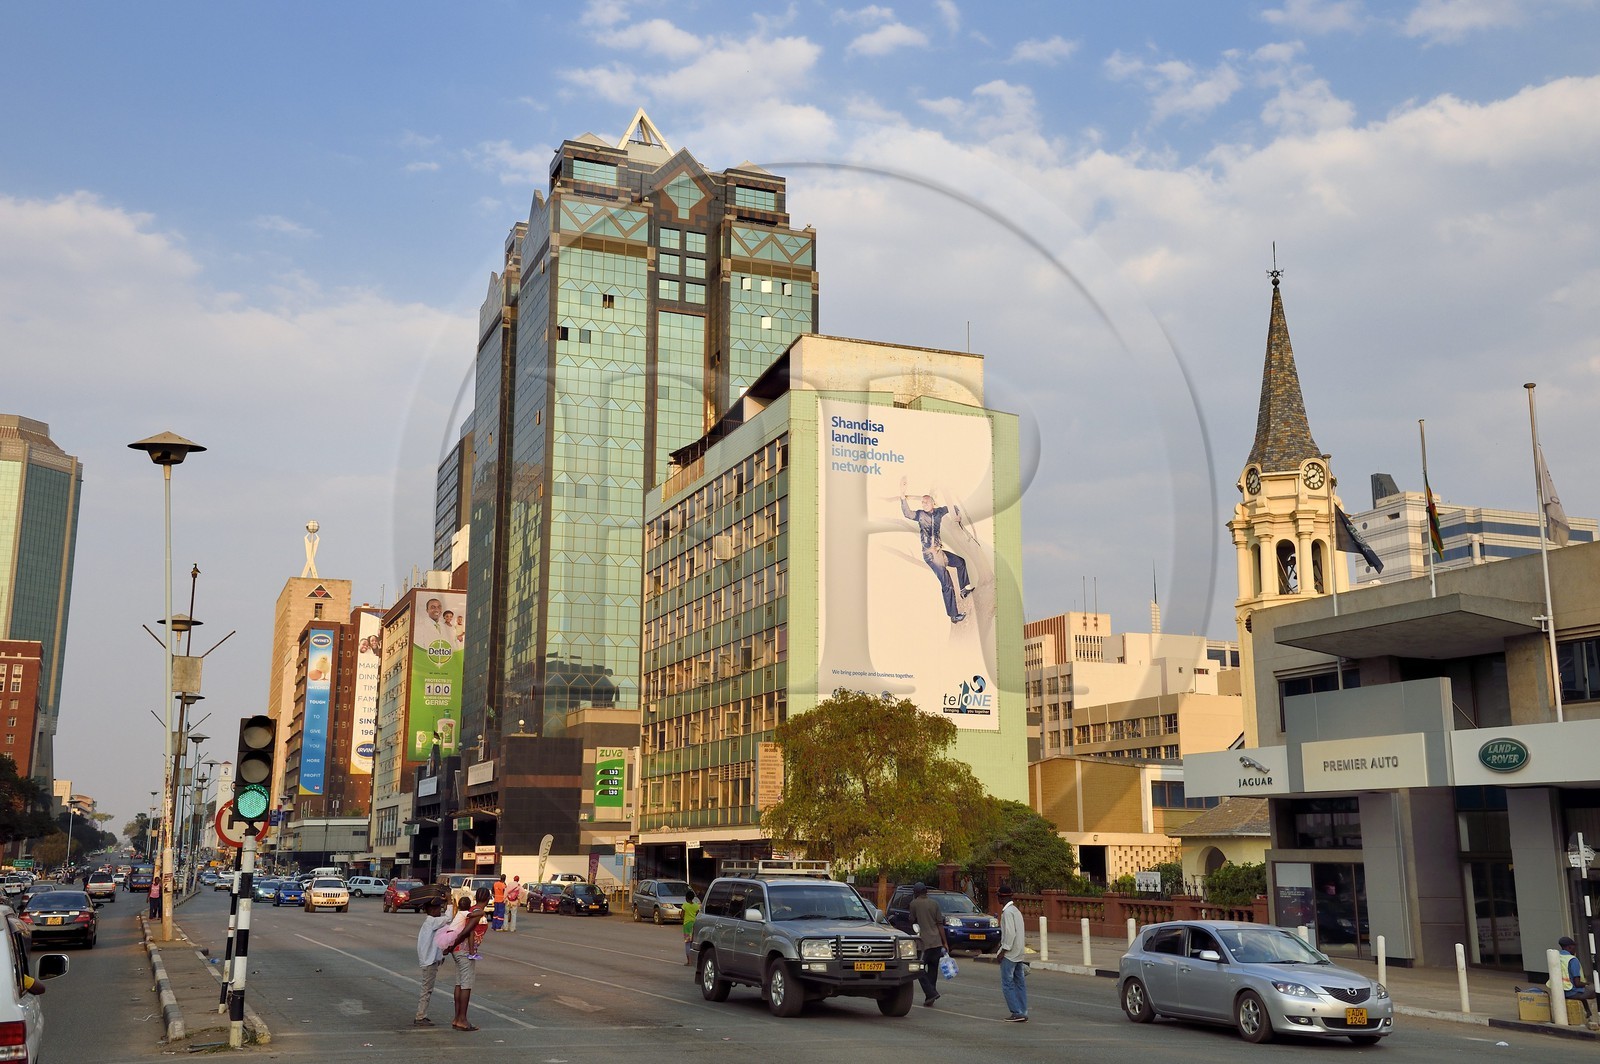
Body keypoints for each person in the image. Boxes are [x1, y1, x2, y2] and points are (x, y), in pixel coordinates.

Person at [898, 477, 974, 623]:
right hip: (931, 556)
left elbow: (952, 508)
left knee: (961, 562)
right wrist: (902, 494)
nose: (924, 504)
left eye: (926, 502)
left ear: (933, 502)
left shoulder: (939, 512)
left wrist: (957, 515)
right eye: (922, 502)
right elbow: (907, 513)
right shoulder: (920, 515)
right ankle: (954, 616)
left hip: (940, 553)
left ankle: (964, 590)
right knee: (947, 583)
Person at [445, 890, 490, 1031]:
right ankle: (462, 1019)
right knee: (466, 985)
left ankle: (457, 1018)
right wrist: (451, 945)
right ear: (488, 899)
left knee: (459, 983)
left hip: (459, 950)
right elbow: (466, 931)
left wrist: (452, 946)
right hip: (464, 951)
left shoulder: (472, 910)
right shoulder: (477, 912)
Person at [906, 883, 950, 1007]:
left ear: (916, 892)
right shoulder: (934, 903)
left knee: (918, 970)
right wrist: (945, 942)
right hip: (936, 941)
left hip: (923, 943)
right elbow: (940, 924)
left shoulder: (914, 903)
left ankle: (930, 993)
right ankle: (930, 995)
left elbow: (911, 919)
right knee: (933, 970)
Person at [413, 897, 450, 1026]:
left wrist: (440, 957)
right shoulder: (431, 922)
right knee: (426, 989)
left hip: (430, 960)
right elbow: (449, 918)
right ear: (432, 910)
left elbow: (436, 943)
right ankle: (420, 1016)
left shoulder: (431, 923)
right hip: (428, 961)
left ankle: (422, 1014)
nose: (440, 911)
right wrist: (450, 901)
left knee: (427, 989)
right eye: (438, 909)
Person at [997, 883, 1028, 1022]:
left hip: (1010, 954)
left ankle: (1016, 1012)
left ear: (1001, 897)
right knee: (1019, 983)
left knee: (1007, 984)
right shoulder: (1016, 910)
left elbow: (1009, 934)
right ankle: (1023, 1011)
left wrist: (1002, 951)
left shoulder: (1008, 913)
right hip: (1019, 952)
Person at [1550, 936, 1595, 1021]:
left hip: (1560, 991)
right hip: (1571, 992)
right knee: (1594, 989)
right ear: (1569, 947)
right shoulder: (1572, 960)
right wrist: (1588, 983)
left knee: (1582, 989)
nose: (1575, 949)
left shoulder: (1557, 957)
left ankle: (1588, 1013)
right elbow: (1577, 984)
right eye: (1574, 947)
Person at [682, 890, 700, 966]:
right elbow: (698, 914)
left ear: (686, 898)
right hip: (694, 924)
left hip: (687, 925)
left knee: (687, 943)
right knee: (692, 942)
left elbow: (682, 915)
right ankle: (693, 960)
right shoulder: (696, 905)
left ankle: (689, 961)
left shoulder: (685, 905)